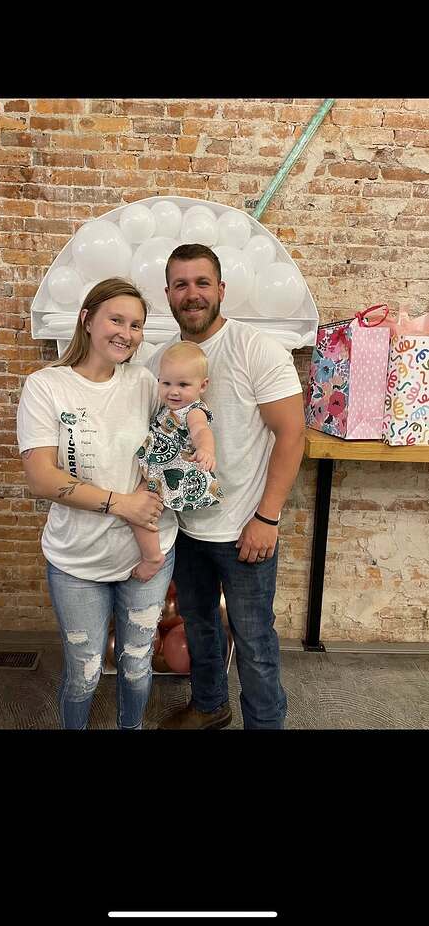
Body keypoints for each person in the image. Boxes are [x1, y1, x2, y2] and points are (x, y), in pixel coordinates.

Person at [147, 244, 305, 730]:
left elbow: (292, 434)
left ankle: (265, 724)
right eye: (180, 284)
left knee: (254, 641)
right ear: (168, 294)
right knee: (199, 628)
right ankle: (210, 706)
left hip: (244, 530)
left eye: (202, 283)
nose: (191, 294)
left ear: (221, 289)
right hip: (185, 529)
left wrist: (267, 517)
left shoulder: (255, 349)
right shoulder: (160, 362)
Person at [16, 278, 177, 730]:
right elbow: (42, 477)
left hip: (146, 555)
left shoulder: (145, 383)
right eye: (116, 320)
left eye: (136, 325)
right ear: (87, 319)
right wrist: (122, 504)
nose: (127, 333)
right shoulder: (46, 386)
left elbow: (175, 439)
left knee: (137, 665)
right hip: (76, 560)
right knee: (84, 673)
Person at [132, 341, 223, 582]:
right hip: (159, 467)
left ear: (203, 385)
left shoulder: (193, 411)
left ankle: (152, 557)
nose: (173, 391)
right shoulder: (167, 407)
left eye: (183, 385)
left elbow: (201, 430)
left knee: (139, 510)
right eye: (166, 383)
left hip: (171, 471)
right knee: (141, 508)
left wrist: (206, 449)